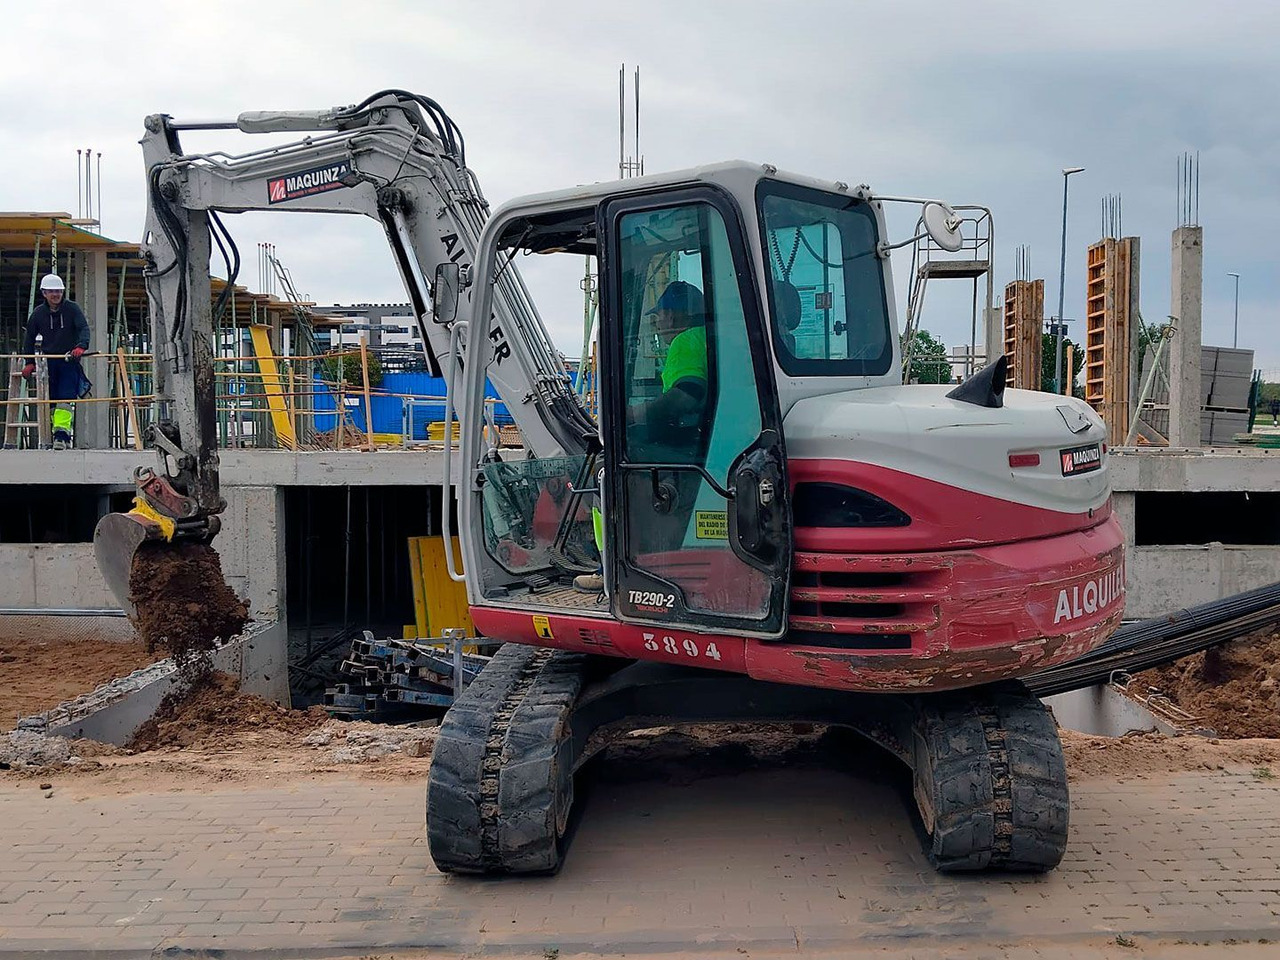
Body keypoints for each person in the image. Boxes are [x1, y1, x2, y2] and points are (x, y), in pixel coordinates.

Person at [573, 279, 711, 594]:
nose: (657, 322)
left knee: (606, 468)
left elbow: (686, 396)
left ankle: (610, 566)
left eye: (658, 315)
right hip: (704, 439)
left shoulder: (686, 341)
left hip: (688, 445)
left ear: (672, 315)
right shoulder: (710, 338)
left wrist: (638, 414)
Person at [23, 274, 90, 450]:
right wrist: (29, 361)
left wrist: (81, 346)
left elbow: (83, 328)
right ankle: (58, 434)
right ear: (44, 293)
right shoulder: (38, 314)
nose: (56, 294)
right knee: (51, 400)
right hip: (49, 362)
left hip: (68, 360)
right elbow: (29, 338)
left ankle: (61, 436)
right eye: (52, 291)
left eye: (59, 291)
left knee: (65, 398)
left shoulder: (72, 309)